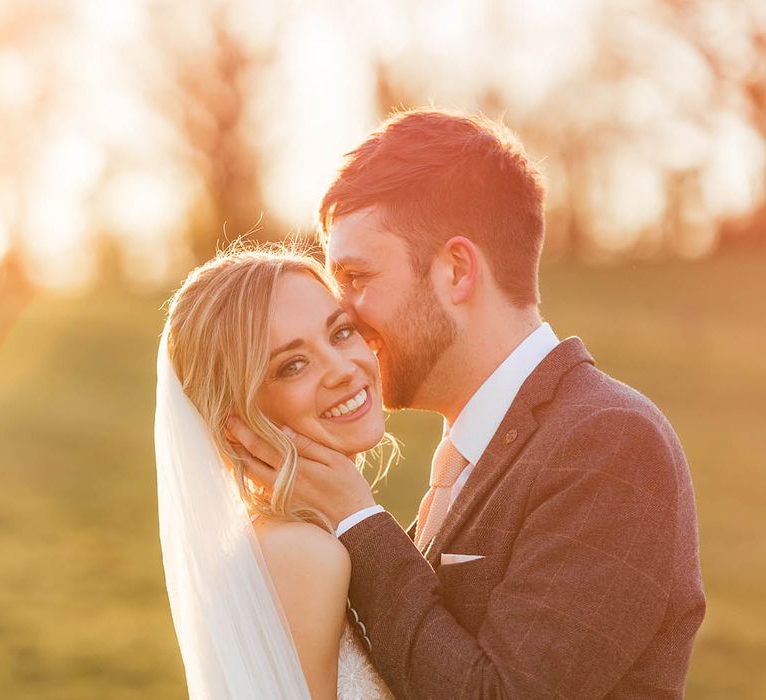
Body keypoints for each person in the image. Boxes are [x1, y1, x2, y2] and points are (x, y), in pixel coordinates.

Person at [228, 109, 707, 698]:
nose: (345, 313)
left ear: (456, 270)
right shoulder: (470, 455)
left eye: (356, 276)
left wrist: (358, 521)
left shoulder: (610, 441)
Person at [155, 247, 394, 699]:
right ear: (236, 420)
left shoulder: (283, 542)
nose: (343, 370)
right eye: (292, 365)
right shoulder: (302, 555)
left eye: (341, 333)